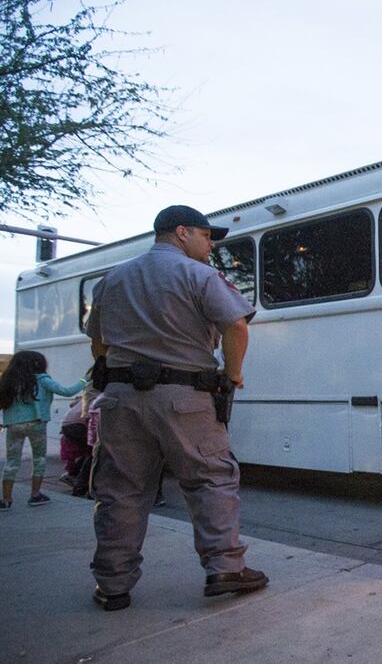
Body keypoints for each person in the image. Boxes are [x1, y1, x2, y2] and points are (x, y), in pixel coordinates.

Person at [84, 204, 267, 611]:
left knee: (121, 490)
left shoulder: (110, 279)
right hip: (185, 395)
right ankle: (224, 569)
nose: (211, 245)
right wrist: (232, 373)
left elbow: (98, 342)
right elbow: (236, 324)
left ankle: (112, 584)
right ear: (181, 232)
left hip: (120, 398)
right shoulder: (198, 275)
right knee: (209, 480)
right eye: (206, 236)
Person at [0, 351, 87, 509]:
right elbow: (67, 391)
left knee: (12, 461)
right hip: (36, 424)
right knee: (39, 459)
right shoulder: (42, 380)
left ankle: (6, 499)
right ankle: (35, 495)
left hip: (14, 425)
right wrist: (84, 380)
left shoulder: (8, 380)